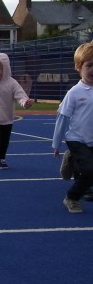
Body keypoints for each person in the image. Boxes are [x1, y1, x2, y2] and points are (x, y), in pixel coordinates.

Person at [52, 42, 93, 213]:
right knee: (90, 171)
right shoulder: (74, 93)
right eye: (89, 65)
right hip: (76, 138)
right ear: (78, 67)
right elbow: (62, 118)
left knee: (87, 170)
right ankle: (72, 197)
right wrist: (56, 143)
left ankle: (73, 161)